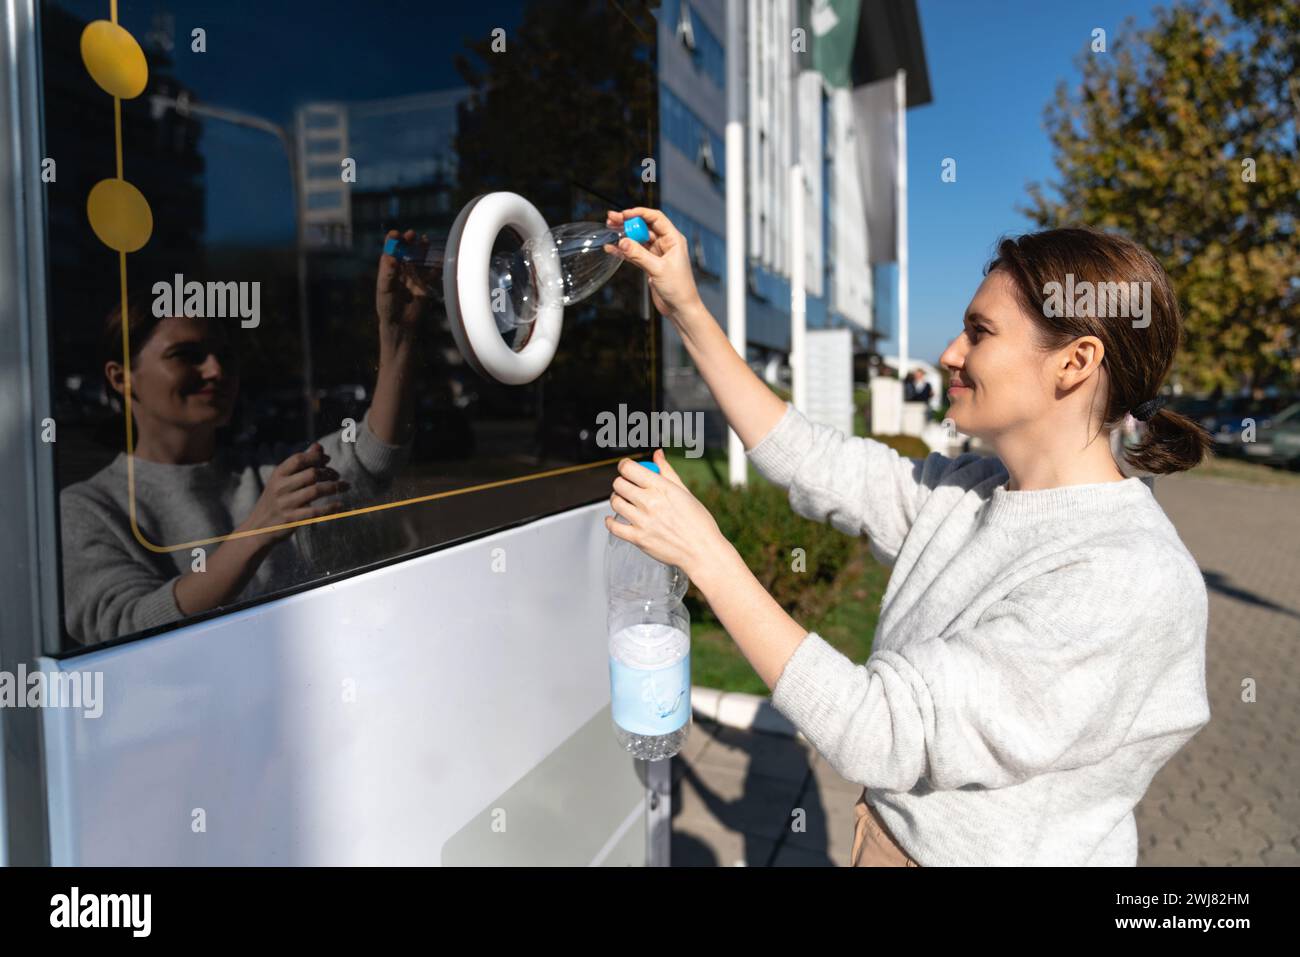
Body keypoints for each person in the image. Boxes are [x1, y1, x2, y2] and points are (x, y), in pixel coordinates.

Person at [602, 211, 1212, 866]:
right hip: (888, 836)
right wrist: (688, 307)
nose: (949, 353)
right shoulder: (974, 486)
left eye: (980, 332)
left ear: (1075, 361)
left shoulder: (1121, 576)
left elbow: (875, 727)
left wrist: (706, 554)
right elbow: (816, 462)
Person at [61, 229, 430, 645]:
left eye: (226, 355)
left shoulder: (268, 474)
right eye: (186, 355)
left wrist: (396, 336)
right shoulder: (89, 509)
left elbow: (373, 456)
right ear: (120, 377)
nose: (216, 371)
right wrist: (257, 531)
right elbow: (129, 628)